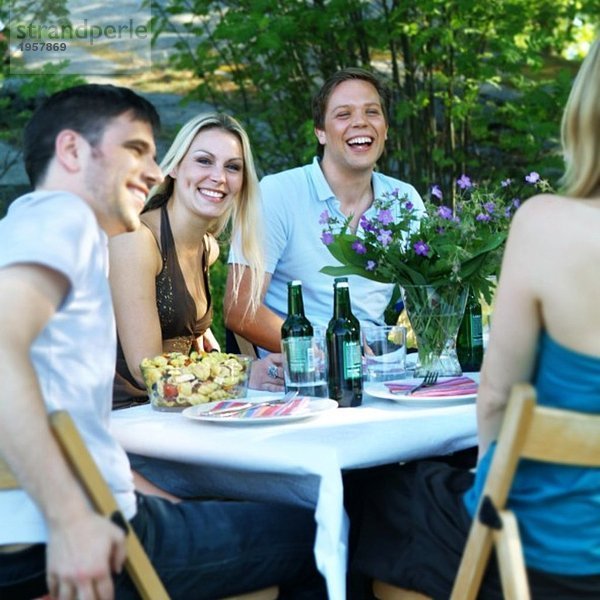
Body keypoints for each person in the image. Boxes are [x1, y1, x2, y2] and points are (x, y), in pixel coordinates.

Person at [0, 84, 326, 600]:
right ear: (71, 151)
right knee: (325, 536)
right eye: (136, 150)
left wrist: (161, 503)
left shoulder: (40, 231)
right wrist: (70, 521)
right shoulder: (61, 222)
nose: (156, 172)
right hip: (59, 539)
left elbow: (81, 438)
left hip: (93, 511)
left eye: (156, 155)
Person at [345, 39, 600, 599]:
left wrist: (488, 481)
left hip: (553, 552)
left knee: (387, 500)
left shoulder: (548, 224)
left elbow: (496, 399)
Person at [224, 67, 424, 360]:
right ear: (320, 132)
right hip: (298, 381)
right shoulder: (278, 192)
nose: (360, 122)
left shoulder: (404, 200)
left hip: (379, 373)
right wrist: (327, 354)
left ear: (386, 128)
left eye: (372, 112)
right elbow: (239, 308)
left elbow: (430, 298)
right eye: (343, 114)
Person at [110, 112, 285, 411]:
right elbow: (146, 371)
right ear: (176, 166)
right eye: (204, 161)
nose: (219, 177)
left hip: (176, 411)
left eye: (232, 167)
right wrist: (243, 374)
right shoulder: (137, 240)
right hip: (119, 419)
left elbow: (190, 339)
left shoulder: (207, 247)